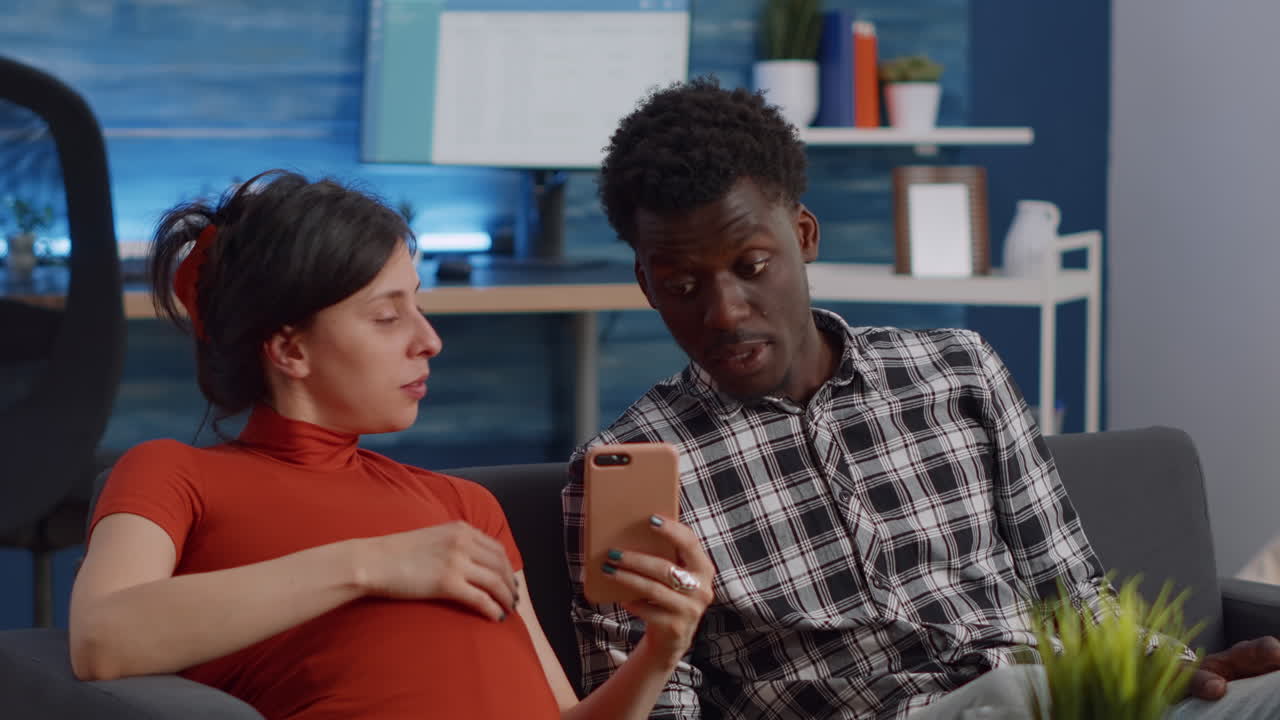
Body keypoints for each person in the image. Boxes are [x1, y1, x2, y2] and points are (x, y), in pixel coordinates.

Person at [561, 78, 1280, 719]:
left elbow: (1073, 600)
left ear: (804, 236)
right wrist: (666, 639)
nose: (723, 312)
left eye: (752, 266)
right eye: (683, 287)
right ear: (648, 288)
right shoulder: (627, 468)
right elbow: (651, 708)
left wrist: (1180, 671)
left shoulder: (959, 370)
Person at [68, 169, 715, 720]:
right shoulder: (171, 473)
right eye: (387, 316)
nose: (428, 340)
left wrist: (662, 648)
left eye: (418, 305)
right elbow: (102, 638)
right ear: (290, 349)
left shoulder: (463, 508)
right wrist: (371, 566)